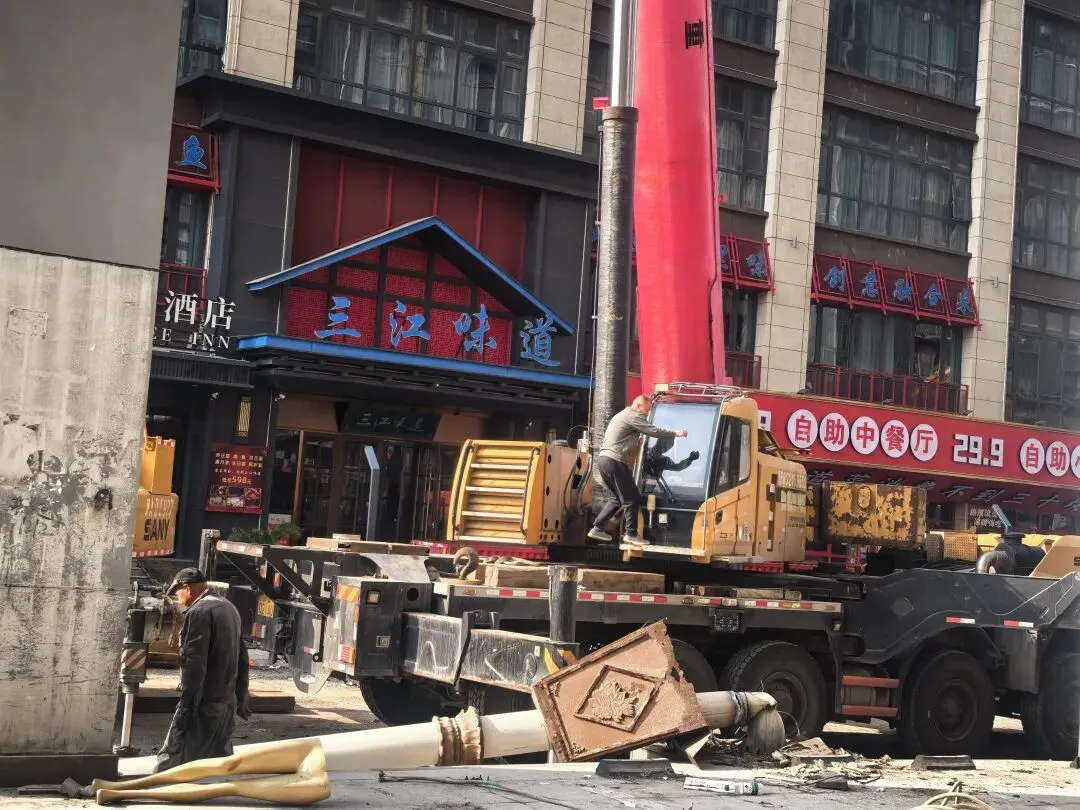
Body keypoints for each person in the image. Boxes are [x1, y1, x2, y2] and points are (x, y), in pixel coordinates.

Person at [155, 567, 251, 773]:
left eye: (177, 594)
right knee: (216, 762)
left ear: (187, 588)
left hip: (204, 703)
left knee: (173, 757)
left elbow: (193, 662)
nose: (178, 599)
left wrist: (188, 704)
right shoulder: (229, 608)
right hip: (226, 703)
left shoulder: (199, 612)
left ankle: (155, 787)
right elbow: (242, 657)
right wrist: (242, 696)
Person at [587, 395, 687, 545]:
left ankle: (597, 528)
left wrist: (635, 441)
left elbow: (622, 437)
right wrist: (674, 434)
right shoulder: (633, 415)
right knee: (632, 498)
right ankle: (631, 534)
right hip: (614, 461)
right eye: (646, 411)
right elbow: (653, 431)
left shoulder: (623, 415)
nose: (647, 414)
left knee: (616, 499)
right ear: (638, 406)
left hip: (604, 461)